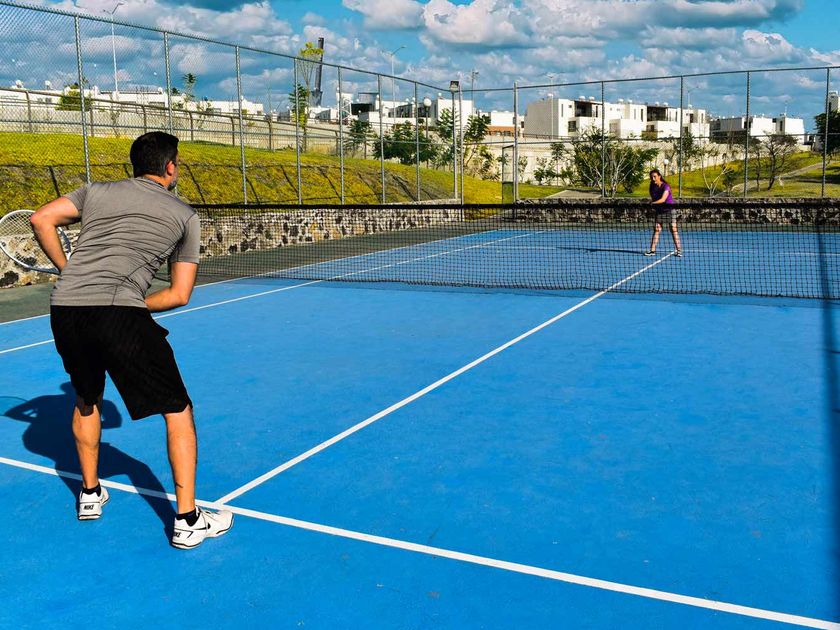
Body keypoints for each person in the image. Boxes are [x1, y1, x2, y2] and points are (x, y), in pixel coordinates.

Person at [30, 131, 233, 549]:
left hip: (66, 309)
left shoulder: (96, 192)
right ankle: (188, 520)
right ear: (170, 167)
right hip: (119, 312)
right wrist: (133, 305)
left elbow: (41, 218)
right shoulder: (185, 215)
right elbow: (179, 294)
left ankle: (89, 494)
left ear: (135, 165)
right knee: (178, 409)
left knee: (86, 397)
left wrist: (69, 271)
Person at [644, 168, 682, 257]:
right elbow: (654, 198)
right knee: (657, 229)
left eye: (655, 176)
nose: (653, 178)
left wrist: (652, 203)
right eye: (651, 177)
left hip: (669, 210)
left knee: (673, 229)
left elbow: (663, 199)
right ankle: (652, 251)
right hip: (660, 211)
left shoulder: (666, 186)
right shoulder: (652, 187)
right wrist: (654, 206)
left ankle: (679, 250)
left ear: (659, 176)